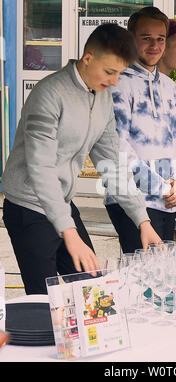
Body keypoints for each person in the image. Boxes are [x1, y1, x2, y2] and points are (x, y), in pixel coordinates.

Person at [1, 24, 161, 295]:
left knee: (92, 290)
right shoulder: (48, 94)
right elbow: (41, 168)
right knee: (44, 299)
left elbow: (112, 163)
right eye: (109, 72)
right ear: (88, 58)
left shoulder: (102, 97)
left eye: (119, 74)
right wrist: (68, 232)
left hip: (61, 202)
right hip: (28, 206)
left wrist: (142, 221)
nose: (113, 82)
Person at [105, 7, 176, 253]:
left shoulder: (170, 86)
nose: (154, 45)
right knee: (141, 275)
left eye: (160, 39)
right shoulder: (117, 82)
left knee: (160, 274)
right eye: (146, 38)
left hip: (168, 199)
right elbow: (118, 146)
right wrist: (162, 187)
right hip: (131, 198)